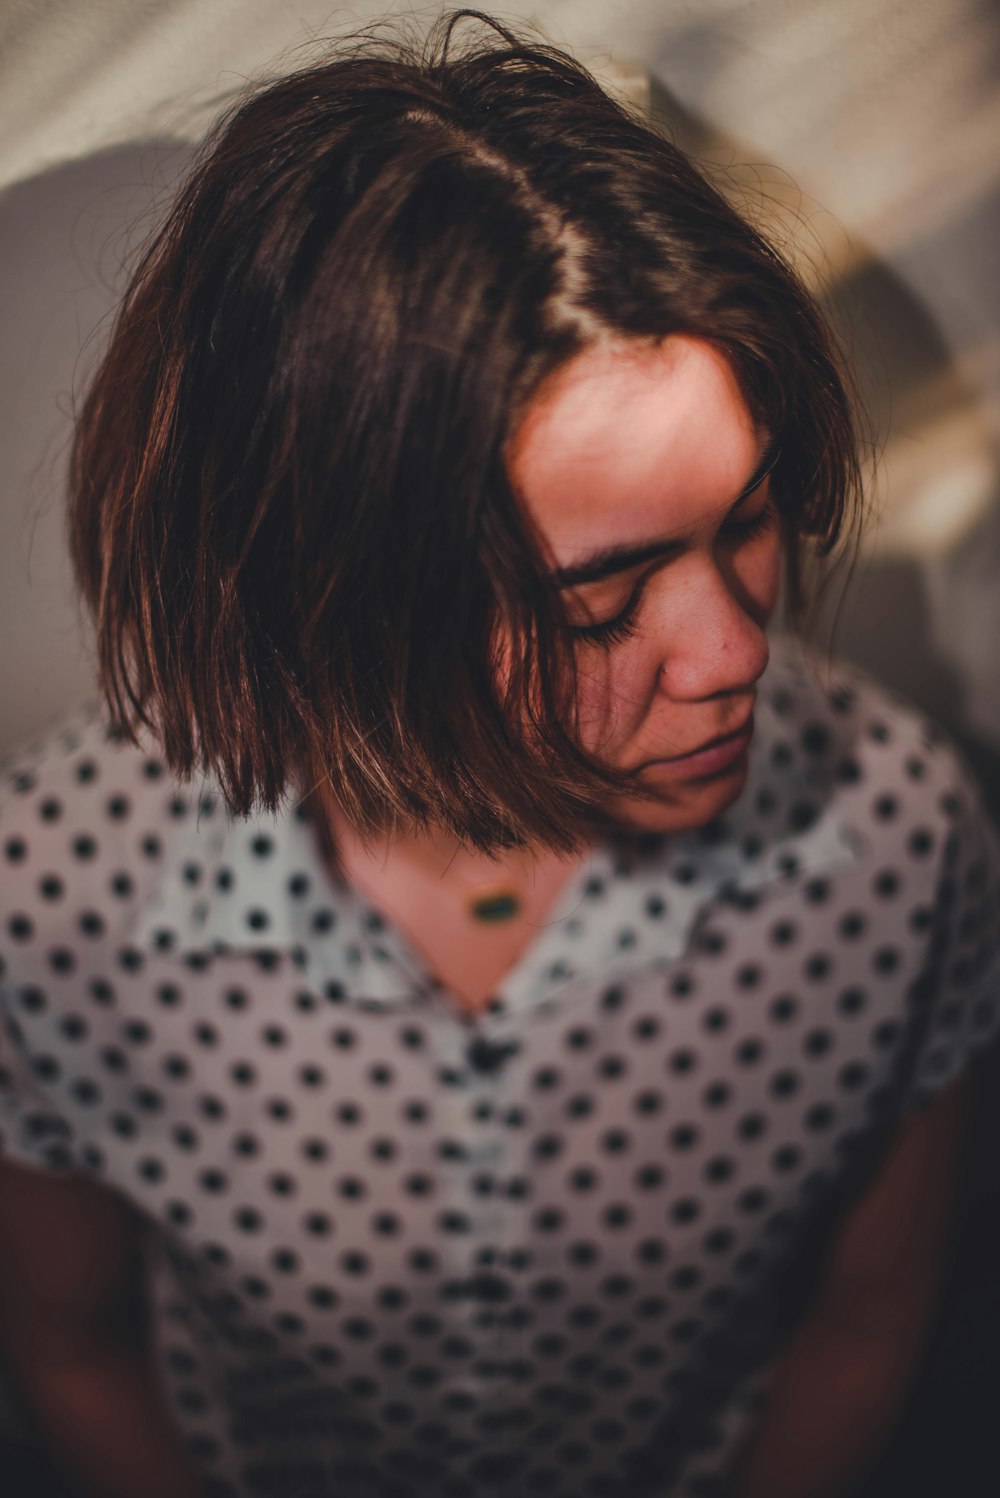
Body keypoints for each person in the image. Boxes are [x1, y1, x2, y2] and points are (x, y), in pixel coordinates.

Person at [1, 11, 998, 1498]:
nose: (735, 651)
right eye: (599, 604)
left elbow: (862, 1325)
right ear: (338, 585)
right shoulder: (57, 891)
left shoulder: (899, 845)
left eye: (750, 518)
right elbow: (73, 1347)